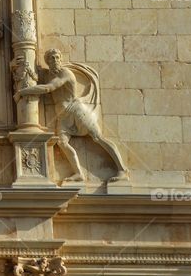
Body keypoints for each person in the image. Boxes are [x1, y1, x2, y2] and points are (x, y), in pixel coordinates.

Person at [15, 49, 129, 182]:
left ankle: (122, 169)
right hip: (62, 117)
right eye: (52, 58)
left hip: (76, 111)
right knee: (62, 143)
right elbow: (32, 75)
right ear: (47, 61)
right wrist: (20, 65)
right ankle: (78, 173)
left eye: (57, 57)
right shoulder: (49, 74)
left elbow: (48, 88)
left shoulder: (65, 73)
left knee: (98, 138)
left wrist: (23, 92)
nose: (55, 60)